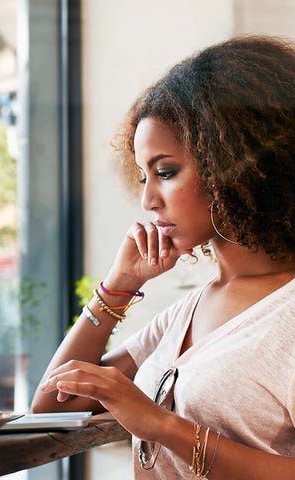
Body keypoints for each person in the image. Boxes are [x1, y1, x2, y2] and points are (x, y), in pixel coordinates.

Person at [31, 34, 295, 479]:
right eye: (142, 176)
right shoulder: (188, 313)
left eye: (166, 172)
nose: (148, 200)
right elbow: (53, 403)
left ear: (236, 164)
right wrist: (118, 286)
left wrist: (159, 424)